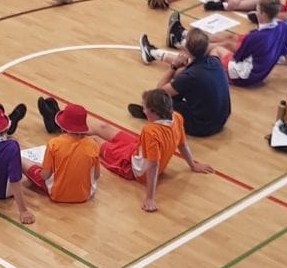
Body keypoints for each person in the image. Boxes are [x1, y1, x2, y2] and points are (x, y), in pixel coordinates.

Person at [42, 91, 212, 212]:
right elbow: (182, 144)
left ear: (153, 112)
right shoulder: (176, 117)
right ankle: (65, 122)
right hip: (138, 149)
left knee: (93, 141)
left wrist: (150, 197)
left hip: (131, 167)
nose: (142, 110)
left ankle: (60, 127)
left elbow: (153, 165)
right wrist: (193, 165)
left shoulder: (151, 132)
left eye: (144, 108)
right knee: (103, 127)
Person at [142, 0, 287, 88]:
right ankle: (180, 41)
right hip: (259, 74)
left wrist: (218, 48)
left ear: (263, 14)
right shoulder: (282, 28)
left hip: (244, 76)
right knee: (225, 42)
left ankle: (156, 53)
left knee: (203, 58)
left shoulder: (256, 37)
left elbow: (238, 56)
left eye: (257, 11)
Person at [130, 27, 231, 137]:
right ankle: (152, 53)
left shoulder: (190, 76)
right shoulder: (214, 61)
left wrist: (174, 66)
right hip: (222, 119)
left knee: (159, 99)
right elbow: (212, 52)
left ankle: (153, 114)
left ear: (186, 49)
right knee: (180, 85)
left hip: (203, 127)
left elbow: (160, 91)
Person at [22, 101, 100, 203]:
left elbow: (45, 176)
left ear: (62, 125)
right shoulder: (93, 145)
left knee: (21, 160)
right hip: (85, 195)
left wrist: (41, 167)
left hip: (57, 194)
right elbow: (96, 175)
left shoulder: (54, 144)